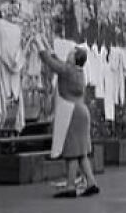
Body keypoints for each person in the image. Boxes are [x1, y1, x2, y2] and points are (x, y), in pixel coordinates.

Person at [35, 34, 100, 198]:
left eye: (70, 53)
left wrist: (38, 45)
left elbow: (50, 63)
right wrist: (49, 47)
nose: (68, 54)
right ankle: (91, 182)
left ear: (73, 58)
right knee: (82, 152)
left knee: (71, 151)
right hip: (83, 111)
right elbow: (58, 61)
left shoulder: (67, 70)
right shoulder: (79, 72)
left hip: (72, 113)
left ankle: (71, 186)